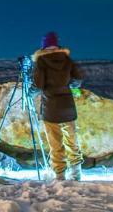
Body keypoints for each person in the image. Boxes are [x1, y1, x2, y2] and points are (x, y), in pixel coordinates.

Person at [32, 31, 87, 180]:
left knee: (55, 142)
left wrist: (30, 91)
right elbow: (77, 79)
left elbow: (38, 84)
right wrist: (68, 87)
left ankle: (60, 174)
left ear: (44, 46)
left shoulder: (41, 62)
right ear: (57, 44)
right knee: (72, 140)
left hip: (50, 107)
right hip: (67, 105)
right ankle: (76, 173)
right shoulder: (67, 59)